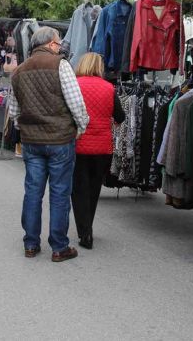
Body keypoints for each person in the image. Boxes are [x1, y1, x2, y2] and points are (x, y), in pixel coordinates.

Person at [8, 26, 89, 262]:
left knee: (33, 191)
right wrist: (80, 128)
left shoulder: (19, 71)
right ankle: (59, 247)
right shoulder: (60, 65)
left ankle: (31, 244)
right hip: (60, 139)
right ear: (52, 44)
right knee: (60, 193)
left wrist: (23, 129)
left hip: (32, 140)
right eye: (59, 42)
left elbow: (13, 111)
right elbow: (76, 103)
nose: (60, 45)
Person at [71, 52, 125, 250]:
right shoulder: (109, 88)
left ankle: (84, 231)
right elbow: (120, 116)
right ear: (100, 67)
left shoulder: (74, 85)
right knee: (94, 189)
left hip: (78, 144)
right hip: (102, 148)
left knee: (78, 189)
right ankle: (88, 228)